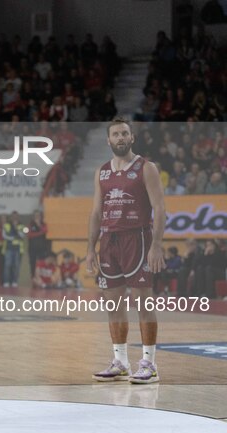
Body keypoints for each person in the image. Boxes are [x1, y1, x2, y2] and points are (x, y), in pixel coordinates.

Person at [86, 117, 166, 384]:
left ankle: (149, 364)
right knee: (114, 304)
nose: (120, 138)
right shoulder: (102, 171)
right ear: (108, 140)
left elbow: (160, 208)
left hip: (138, 238)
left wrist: (156, 244)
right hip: (109, 241)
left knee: (144, 302)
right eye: (115, 134)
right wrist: (90, 248)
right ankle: (120, 361)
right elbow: (97, 212)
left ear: (132, 138)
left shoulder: (147, 168)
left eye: (124, 134)